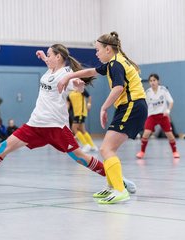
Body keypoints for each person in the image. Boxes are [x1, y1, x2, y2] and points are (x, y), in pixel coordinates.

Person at [0, 44, 137, 202]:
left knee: (81, 157)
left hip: (56, 128)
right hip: (35, 124)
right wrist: (43, 59)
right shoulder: (51, 69)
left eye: (49, 55)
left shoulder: (66, 73)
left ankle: (117, 178)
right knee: (4, 147)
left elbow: (76, 86)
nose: (47, 57)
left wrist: (78, 84)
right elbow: (51, 70)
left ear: (58, 57)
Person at [57, 32, 147, 204]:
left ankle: (120, 190)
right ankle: (114, 185)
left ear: (108, 49)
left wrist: (103, 108)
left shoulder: (115, 63)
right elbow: (91, 71)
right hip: (131, 106)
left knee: (106, 149)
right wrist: (69, 76)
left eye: (97, 50)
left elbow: (118, 88)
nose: (96, 53)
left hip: (132, 105)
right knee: (106, 149)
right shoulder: (114, 61)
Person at [136, 74, 180, 159]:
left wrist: (168, 111)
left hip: (163, 116)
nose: (152, 82)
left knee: (169, 134)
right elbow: (144, 104)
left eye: (154, 80)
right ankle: (142, 152)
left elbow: (171, 102)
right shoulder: (148, 92)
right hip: (152, 116)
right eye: (151, 81)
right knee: (146, 134)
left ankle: (175, 151)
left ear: (158, 81)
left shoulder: (163, 90)